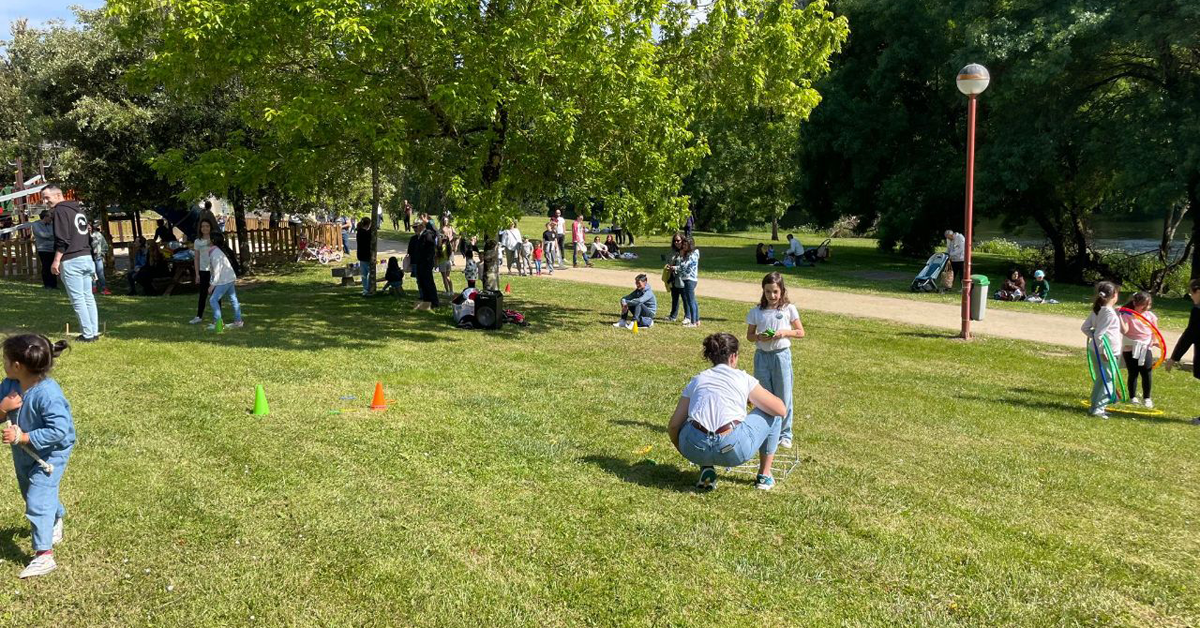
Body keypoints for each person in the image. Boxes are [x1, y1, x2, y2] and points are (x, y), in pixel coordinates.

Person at [667, 333, 787, 491]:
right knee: (774, 414)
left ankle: (705, 467)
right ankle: (764, 476)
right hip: (733, 449)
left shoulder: (697, 380)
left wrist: (685, 449)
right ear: (733, 356)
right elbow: (780, 409)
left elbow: (674, 426)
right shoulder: (743, 378)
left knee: (693, 418)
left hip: (694, 447)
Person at [1, 334, 76, 578]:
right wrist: (4, 408)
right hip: (24, 452)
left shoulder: (48, 394)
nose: (3, 363)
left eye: (5, 359)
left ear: (17, 366)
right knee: (29, 491)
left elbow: (59, 430)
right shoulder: (9, 385)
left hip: (50, 453)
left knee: (37, 497)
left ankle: (44, 556)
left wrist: (23, 437)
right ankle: (55, 518)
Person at [745, 272, 805, 449]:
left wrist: (784, 333)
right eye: (768, 292)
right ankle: (765, 430)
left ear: (782, 291)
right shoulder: (756, 312)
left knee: (783, 394)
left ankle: (785, 434)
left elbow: (801, 332)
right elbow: (749, 336)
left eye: (775, 292)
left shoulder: (788, 309)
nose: (772, 296)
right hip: (762, 357)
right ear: (763, 292)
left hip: (781, 356)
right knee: (763, 395)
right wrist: (758, 337)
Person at [44, 186, 101, 342]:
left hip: (72, 259)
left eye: (47, 198)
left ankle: (87, 334)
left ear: (57, 195)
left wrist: (56, 260)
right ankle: (94, 332)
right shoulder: (78, 210)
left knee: (78, 299)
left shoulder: (60, 211)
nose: (45, 201)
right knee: (88, 297)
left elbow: (62, 239)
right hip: (86, 256)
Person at [1081, 281, 1124, 419]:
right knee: (1108, 380)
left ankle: (1095, 407)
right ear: (1114, 295)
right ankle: (1099, 409)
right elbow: (1100, 334)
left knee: (1101, 379)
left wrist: (1093, 338)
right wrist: (1103, 351)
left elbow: (1085, 328)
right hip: (1107, 352)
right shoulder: (1109, 313)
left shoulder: (1098, 309)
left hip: (1096, 350)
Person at [1166, 279, 1200, 424]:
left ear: (1198, 291)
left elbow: (1189, 335)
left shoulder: (1197, 311)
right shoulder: (1197, 309)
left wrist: (1174, 358)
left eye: (1191, 292)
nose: (1191, 296)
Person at [1120, 291, 1159, 408]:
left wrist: (1155, 341)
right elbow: (1125, 331)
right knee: (1133, 373)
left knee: (1146, 373)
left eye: (1149, 304)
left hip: (1145, 348)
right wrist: (1120, 316)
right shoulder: (1127, 315)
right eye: (1143, 304)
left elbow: (1155, 332)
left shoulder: (1150, 316)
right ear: (1135, 303)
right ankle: (1133, 397)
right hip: (1130, 348)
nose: (1146, 307)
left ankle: (1147, 398)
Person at [207, 233, 244, 330]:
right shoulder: (216, 251)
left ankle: (218, 323)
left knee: (213, 300)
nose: (207, 240)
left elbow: (217, 271)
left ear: (213, 241)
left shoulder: (215, 253)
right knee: (233, 299)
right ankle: (238, 321)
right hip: (229, 277)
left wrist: (212, 285)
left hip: (224, 280)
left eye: (209, 239)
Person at [189, 218, 215, 323]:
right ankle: (199, 316)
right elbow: (196, 258)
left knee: (215, 294)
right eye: (203, 226)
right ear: (200, 228)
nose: (205, 228)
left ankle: (217, 317)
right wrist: (197, 274)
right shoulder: (197, 241)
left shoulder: (214, 239)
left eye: (207, 226)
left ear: (210, 227)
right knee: (203, 294)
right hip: (203, 270)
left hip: (214, 271)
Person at [670, 235, 700, 327]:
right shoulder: (690, 254)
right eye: (684, 245)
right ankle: (697, 320)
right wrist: (674, 267)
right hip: (688, 279)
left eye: (686, 245)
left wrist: (681, 258)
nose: (684, 246)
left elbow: (686, 266)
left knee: (690, 301)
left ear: (690, 245)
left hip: (689, 279)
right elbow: (683, 266)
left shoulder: (693, 254)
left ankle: (693, 322)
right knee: (693, 301)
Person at [32, 211, 56, 289]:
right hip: (43, 248)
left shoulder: (51, 225)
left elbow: (55, 234)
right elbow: (42, 235)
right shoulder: (36, 225)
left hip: (53, 248)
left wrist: (50, 236)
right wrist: (51, 236)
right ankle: (47, 285)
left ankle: (54, 285)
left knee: (53, 266)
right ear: (45, 217)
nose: (51, 219)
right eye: (50, 217)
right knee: (46, 267)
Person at [666, 233, 684, 321]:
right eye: (674, 241)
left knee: (685, 299)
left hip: (682, 279)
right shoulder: (673, 252)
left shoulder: (685, 252)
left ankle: (688, 317)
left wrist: (675, 267)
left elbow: (684, 266)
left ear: (682, 241)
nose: (676, 242)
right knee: (675, 298)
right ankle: (673, 316)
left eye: (678, 240)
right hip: (674, 278)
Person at [88, 221, 110, 296]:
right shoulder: (83, 236)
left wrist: (102, 253)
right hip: (89, 258)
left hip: (98, 257)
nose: (89, 227)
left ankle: (104, 288)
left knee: (100, 273)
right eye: (87, 226)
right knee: (92, 273)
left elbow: (105, 245)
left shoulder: (98, 235)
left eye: (90, 226)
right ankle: (94, 288)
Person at [356, 217, 374, 296]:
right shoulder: (366, 233)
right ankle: (369, 289)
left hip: (361, 255)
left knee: (364, 274)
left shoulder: (359, 232)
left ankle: (365, 289)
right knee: (370, 273)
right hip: (367, 256)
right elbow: (370, 234)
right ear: (368, 224)